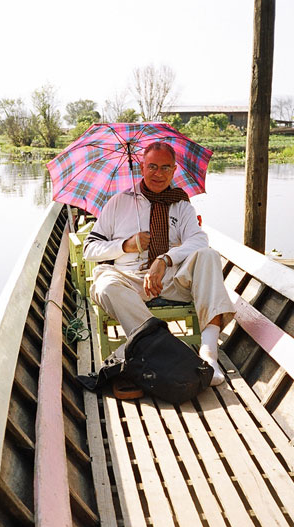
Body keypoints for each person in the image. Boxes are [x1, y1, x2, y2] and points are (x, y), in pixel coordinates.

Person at [83, 141, 236, 385]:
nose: (158, 174)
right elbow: (89, 248)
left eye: (166, 168)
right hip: (129, 280)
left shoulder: (181, 204)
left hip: (171, 279)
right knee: (105, 286)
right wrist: (126, 245)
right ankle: (163, 346)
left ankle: (208, 355)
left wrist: (165, 260)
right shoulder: (118, 203)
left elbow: (199, 239)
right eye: (152, 166)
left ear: (174, 171)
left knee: (208, 256)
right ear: (141, 168)